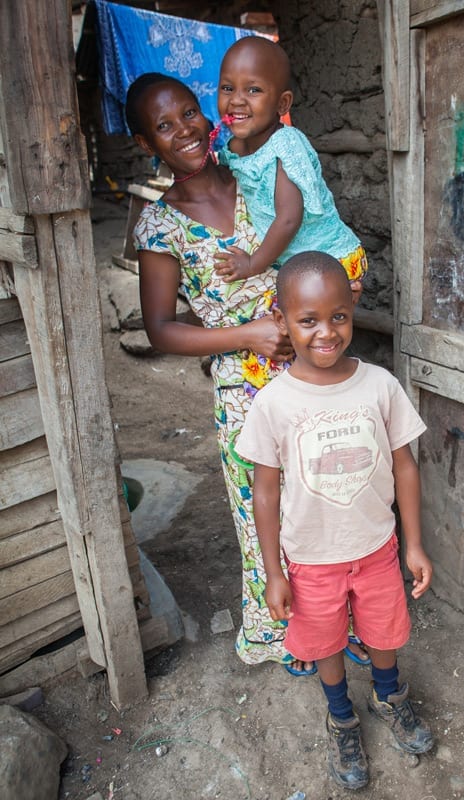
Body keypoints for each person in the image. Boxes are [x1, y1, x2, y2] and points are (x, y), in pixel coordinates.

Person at [126, 71, 318, 675]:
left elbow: (308, 235)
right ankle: (281, 632)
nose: (183, 129)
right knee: (260, 506)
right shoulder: (159, 227)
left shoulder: (255, 173)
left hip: (315, 359)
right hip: (244, 384)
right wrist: (247, 336)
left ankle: (340, 612)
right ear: (145, 143)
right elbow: (160, 328)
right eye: (164, 125)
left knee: (325, 492)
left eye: (188, 113)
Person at [235, 252, 435, 790]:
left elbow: (404, 466)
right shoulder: (273, 403)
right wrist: (274, 572)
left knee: (385, 631)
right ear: (281, 321)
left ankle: (389, 694)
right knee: (323, 641)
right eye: (308, 320)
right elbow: (265, 491)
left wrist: (413, 544)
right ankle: (340, 714)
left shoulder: (379, 386)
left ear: (352, 311)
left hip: (375, 548)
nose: (326, 332)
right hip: (311, 560)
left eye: (339, 317)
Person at [213, 36, 368, 293]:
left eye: (253, 90)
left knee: (316, 331)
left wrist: (252, 264)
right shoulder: (233, 148)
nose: (237, 100)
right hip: (298, 266)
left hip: (331, 261)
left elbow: (288, 218)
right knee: (299, 329)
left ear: (282, 103)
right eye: (227, 88)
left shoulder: (285, 144)